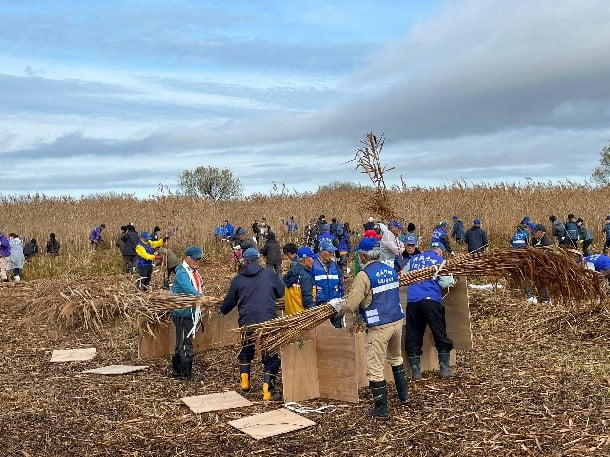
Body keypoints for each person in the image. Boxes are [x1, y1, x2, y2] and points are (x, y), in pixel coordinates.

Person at [330, 237, 408, 419]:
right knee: (396, 358)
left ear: (363, 256)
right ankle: (404, 396)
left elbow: (351, 304)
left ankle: (381, 409)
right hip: (397, 320)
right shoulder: (390, 270)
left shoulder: (364, 276)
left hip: (379, 326)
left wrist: (337, 307)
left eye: (359, 255)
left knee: (375, 367)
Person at [220, 248, 285, 400]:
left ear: (244, 261)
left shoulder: (238, 279)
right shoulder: (269, 274)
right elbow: (280, 291)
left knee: (247, 348)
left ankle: (245, 383)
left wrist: (222, 310)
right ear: (258, 259)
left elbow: (229, 302)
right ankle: (267, 391)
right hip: (267, 321)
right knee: (270, 354)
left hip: (246, 321)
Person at [405, 241, 456, 380]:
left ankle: (416, 370)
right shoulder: (439, 261)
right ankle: (444, 368)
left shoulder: (414, 259)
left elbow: (403, 276)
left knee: (413, 333)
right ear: (439, 251)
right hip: (431, 300)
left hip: (413, 300)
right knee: (439, 332)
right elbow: (447, 282)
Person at [170, 246, 205, 380]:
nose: (198, 261)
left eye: (199, 259)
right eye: (195, 259)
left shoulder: (193, 271)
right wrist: (201, 297)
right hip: (183, 313)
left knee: (182, 341)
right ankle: (186, 373)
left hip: (189, 312)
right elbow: (188, 289)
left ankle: (177, 371)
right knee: (185, 343)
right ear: (187, 258)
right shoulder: (182, 272)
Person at [313, 239, 344, 327]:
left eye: (332, 251)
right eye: (329, 251)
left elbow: (340, 283)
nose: (331, 254)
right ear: (321, 251)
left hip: (335, 305)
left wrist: (340, 298)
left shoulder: (334, 265)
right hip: (320, 306)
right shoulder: (314, 265)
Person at [283, 246, 316, 315]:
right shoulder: (305, 277)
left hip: (290, 316)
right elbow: (307, 301)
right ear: (305, 260)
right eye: (311, 258)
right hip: (301, 317)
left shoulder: (291, 272)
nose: (313, 261)